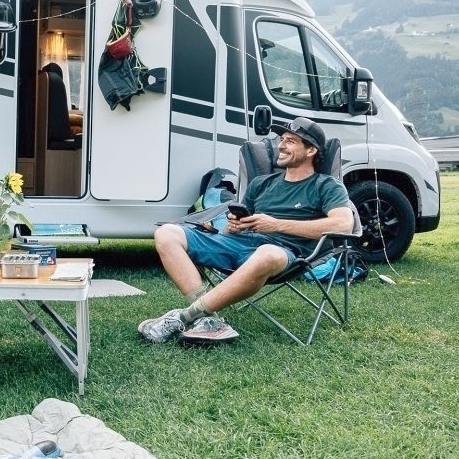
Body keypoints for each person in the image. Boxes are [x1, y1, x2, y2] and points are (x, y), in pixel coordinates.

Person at [138, 117, 354, 343]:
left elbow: (343, 224)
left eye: (290, 141)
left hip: (286, 252)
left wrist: (276, 224)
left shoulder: (326, 185)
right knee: (167, 233)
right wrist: (234, 226)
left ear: (311, 150)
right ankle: (210, 320)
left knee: (267, 253)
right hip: (241, 243)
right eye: (281, 139)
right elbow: (238, 225)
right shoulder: (262, 183)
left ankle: (184, 316)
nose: (281, 145)